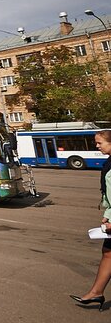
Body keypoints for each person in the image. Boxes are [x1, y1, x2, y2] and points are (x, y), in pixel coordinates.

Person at [71, 129, 111, 311]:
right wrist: (108, 214)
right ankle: (96, 292)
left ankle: (96, 292)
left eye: (99, 143)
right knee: (108, 253)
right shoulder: (109, 162)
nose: (96, 146)